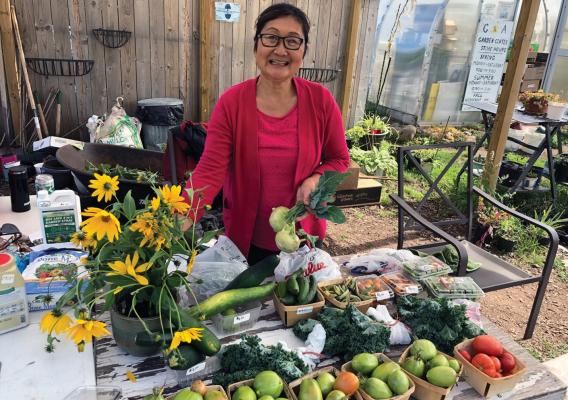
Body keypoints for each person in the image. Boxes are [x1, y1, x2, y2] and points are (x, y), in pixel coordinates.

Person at [184, 3, 350, 264]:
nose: (281, 49)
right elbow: (210, 169)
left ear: (303, 51)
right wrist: (177, 217)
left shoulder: (321, 101)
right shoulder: (232, 103)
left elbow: (340, 160)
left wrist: (315, 179)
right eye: (271, 37)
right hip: (245, 242)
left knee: (297, 303)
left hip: (303, 239)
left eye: (293, 41)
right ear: (256, 45)